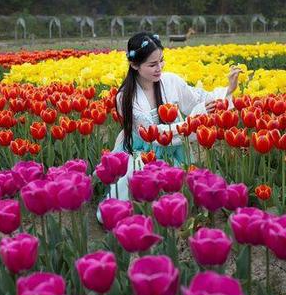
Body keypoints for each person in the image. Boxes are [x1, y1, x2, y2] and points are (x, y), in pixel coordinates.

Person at [96, 32, 240, 221]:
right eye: (152, 64)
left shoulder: (170, 81)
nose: (159, 68)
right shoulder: (125, 97)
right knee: (133, 180)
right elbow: (153, 134)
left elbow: (198, 98)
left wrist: (228, 89)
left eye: (161, 61)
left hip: (175, 150)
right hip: (141, 151)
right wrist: (195, 119)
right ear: (134, 65)